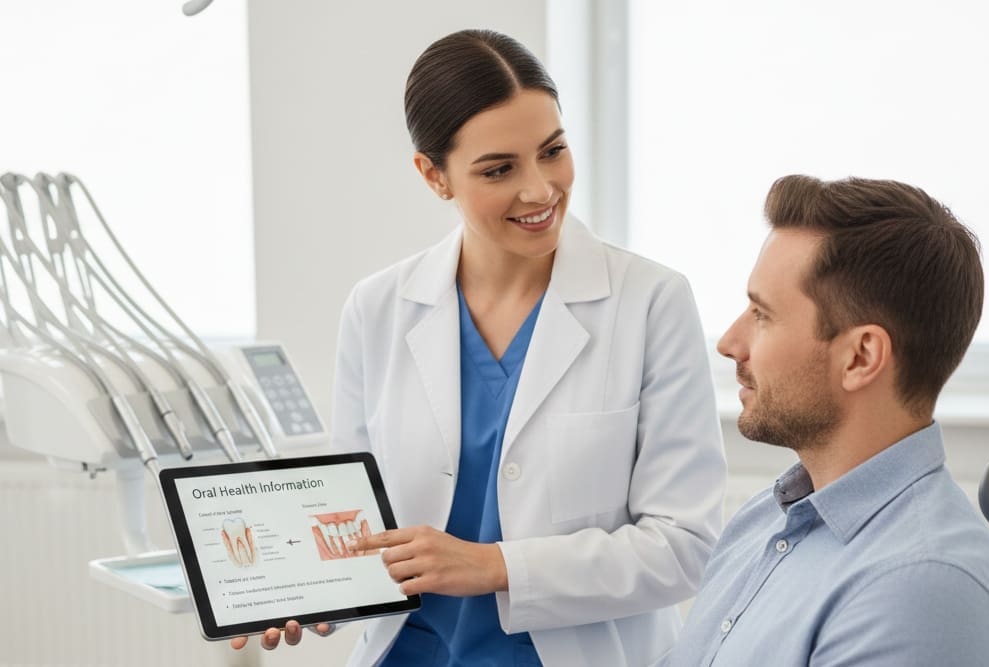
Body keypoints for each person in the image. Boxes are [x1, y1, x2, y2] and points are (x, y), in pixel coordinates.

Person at [232, 29, 727, 665]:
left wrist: (495, 566)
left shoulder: (650, 302)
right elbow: (355, 522)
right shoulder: (378, 308)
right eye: (499, 169)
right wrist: (309, 589)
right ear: (434, 175)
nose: (540, 190)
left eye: (553, 151)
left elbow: (686, 546)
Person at [671, 175, 989, 666]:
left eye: (762, 315)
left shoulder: (918, 591)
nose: (730, 342)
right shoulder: (767, 517)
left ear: (860, 357)